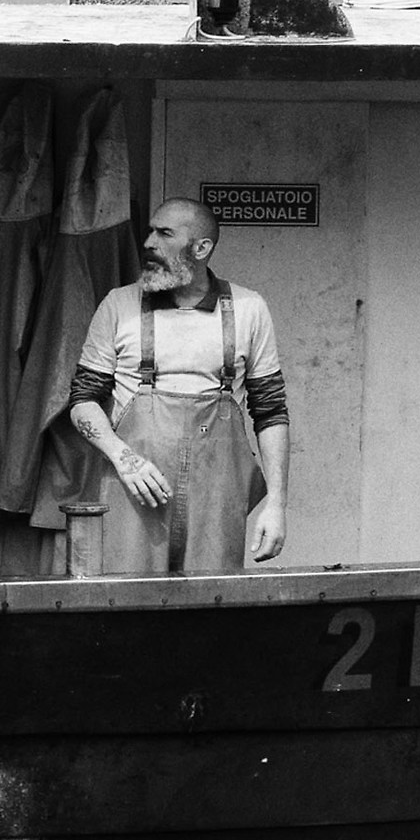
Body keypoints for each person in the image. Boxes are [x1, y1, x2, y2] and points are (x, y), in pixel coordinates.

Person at [66, 197, 290, 572]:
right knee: (127, 609)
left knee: (210, 610)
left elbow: (271, 412)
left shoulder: (249, 309)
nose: (149, 243)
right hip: (134, 495)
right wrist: (125, 458)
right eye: (150, 231)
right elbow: (82, 399)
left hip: (216, 503)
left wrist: (277, 505)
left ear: (202, 248)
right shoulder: (118, 305)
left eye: (164, 233)